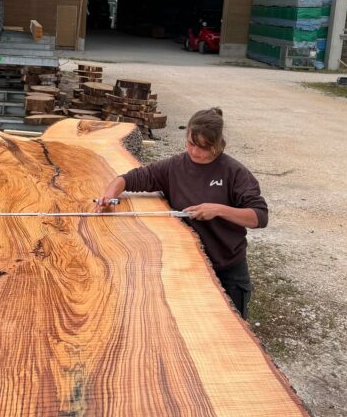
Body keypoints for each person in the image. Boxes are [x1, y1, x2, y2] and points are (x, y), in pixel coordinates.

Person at [96, 107, 268, 319]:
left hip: (226, 267)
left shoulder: (234, 172)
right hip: (186, 266)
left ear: (217, 144)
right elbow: (132, 178)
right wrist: (109, 195)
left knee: (230, 328)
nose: (195, 152)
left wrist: (218, 210)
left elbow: (259, 216)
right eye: (191, 143)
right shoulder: (175, 166)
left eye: (204, 147)